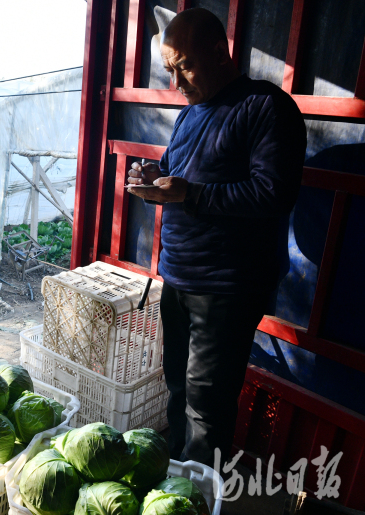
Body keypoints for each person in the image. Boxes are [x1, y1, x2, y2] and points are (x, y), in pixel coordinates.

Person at [126, 8, 307, 466]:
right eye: (170, 70)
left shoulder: (265, 107)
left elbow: (274, 193)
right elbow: (179, 177)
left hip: (227, 286)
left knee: (207, 405)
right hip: (179, 276)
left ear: (218, 51)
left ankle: (200, 494)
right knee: (177, 385)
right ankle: (172, 478)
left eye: (184, 65)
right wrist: (154, 176)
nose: (177, 82)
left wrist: (192, 193)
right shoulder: (191, 115)